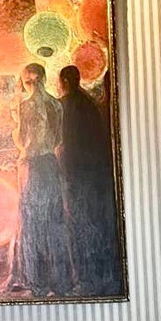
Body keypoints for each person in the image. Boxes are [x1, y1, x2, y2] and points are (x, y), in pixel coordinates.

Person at [58, 65, 122, 296]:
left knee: (78, 226)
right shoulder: (89, 103)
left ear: (65, 81)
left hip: (74, 173)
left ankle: (85, 281)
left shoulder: (63, 105)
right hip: (95, 174)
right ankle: (100, 277)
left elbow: (61, 143)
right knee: (94, 225)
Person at [14, 64, 72, 297]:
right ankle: (60, 283)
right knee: (54, 224)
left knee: (33, 225)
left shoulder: (25, 106)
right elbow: (58, 139)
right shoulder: (56, 105)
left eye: (29, 81)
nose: (31, 86)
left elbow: (22, 140)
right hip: (49, 163)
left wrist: (16, 127)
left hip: (33, 165)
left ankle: (37, 283)